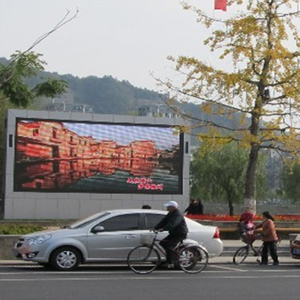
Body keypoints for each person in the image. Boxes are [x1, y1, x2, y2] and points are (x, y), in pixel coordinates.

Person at [154, 200, 188, 268]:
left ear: (173, 207)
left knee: (169, 246)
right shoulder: (170, 213)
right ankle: (172, 255)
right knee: (162, 243)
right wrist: (156, 228)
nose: (167, 208)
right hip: (173, 233)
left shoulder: (178, 214)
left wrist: (164, 229)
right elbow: (163, 221)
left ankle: (170, 262)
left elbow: (173, 223)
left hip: (180, 233)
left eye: (168, 207)